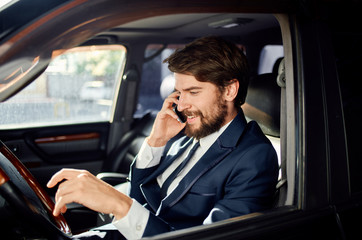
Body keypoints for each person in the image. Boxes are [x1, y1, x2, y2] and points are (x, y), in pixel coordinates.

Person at [47, 36, 279, 239]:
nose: (182, 103)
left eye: (194, 92)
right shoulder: (190, 133)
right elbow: (141, 194)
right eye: (179, 92)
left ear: (229, 90)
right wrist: (156, 141)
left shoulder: (255, 156)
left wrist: (119, 204)